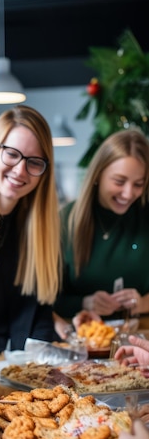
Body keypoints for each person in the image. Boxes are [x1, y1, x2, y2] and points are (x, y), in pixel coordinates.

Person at [0, 106, 61, 364]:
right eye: (12, 155)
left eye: (34, 162)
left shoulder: (38, 228)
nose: (20, 171)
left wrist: (42, 367)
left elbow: (39, 311)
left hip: (10, 366)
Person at [54, 129, 149, 335]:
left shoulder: (144, 217)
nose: (128, 193)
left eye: (138, 184)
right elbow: (45, 299)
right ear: (98, 175)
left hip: (141, 335)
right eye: (119, 181)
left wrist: (141, 303)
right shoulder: (66, 220)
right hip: (81, 338)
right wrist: (85, 303)